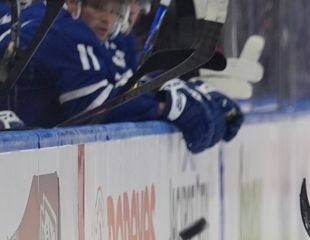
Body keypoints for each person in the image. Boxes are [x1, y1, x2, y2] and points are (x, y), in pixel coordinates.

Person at [0, 0, 241, 153]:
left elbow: (119, 87)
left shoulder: (44, 19)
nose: (107, 18)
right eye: (97, 6)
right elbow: (94, 107)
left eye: (115, 10)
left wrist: (171, 89)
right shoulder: (67, 31)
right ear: (73, 4)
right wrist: (167, 106)